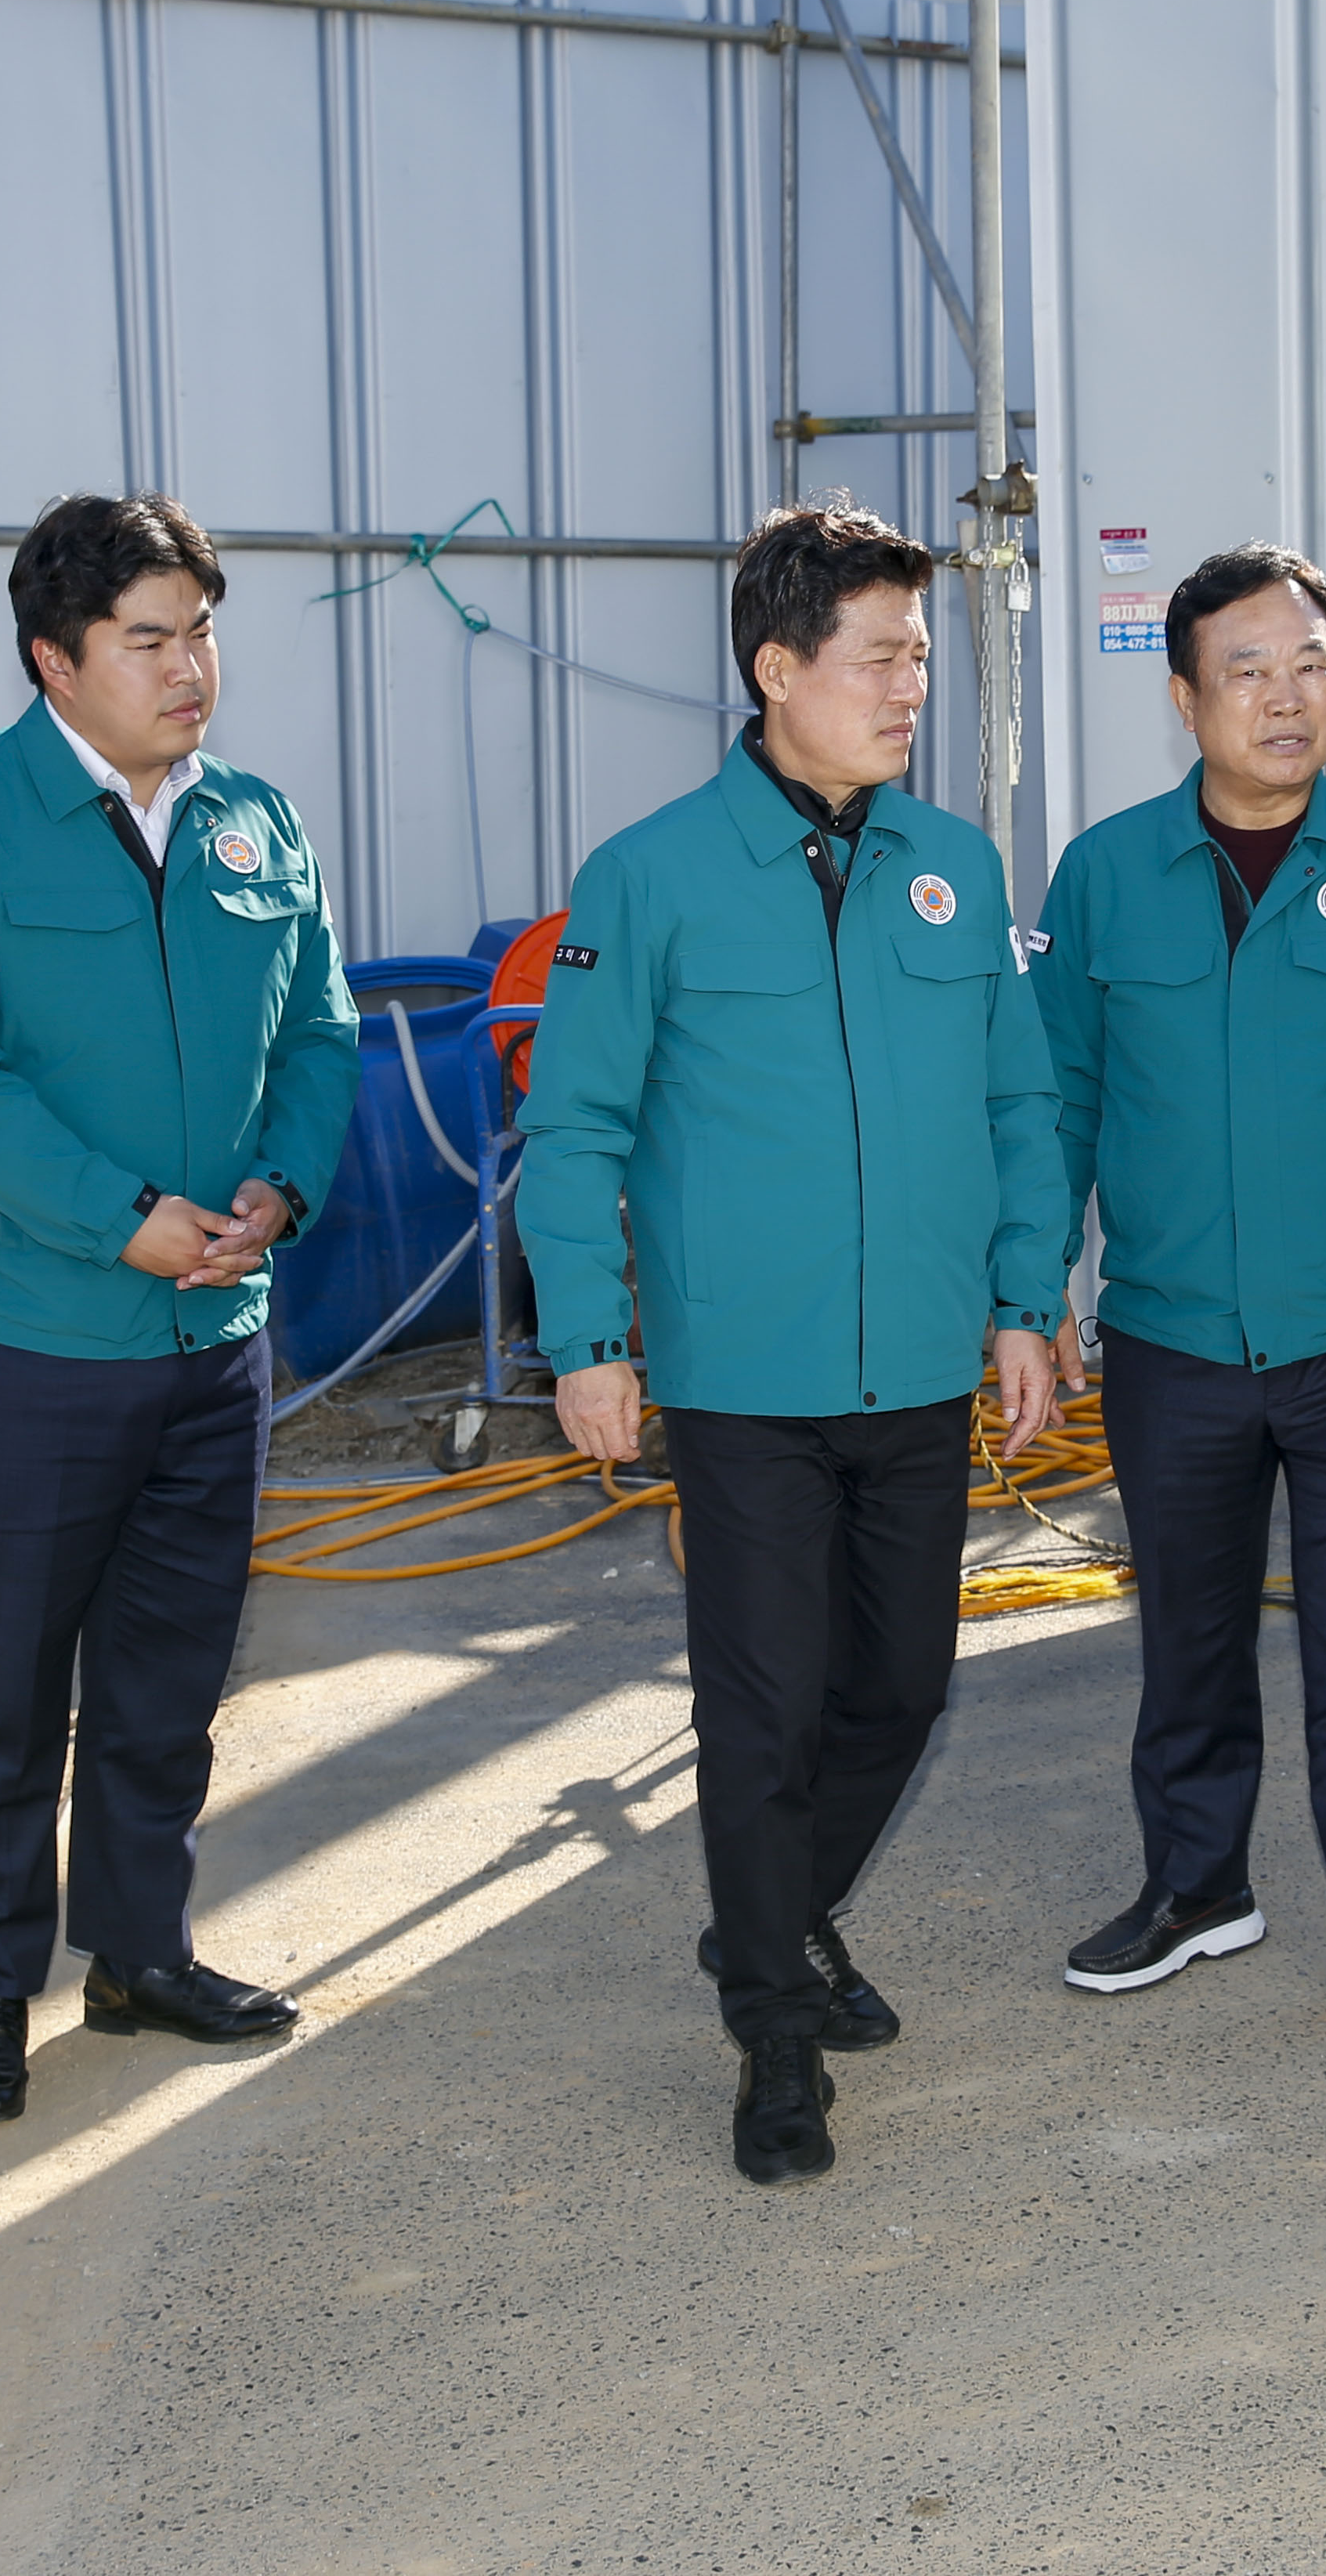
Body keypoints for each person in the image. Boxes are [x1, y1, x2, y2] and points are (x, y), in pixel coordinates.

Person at [518, 497, 1069, 2186]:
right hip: (743, 1380)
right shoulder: (653, 876)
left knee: (898, 1689)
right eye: (881, 656)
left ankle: (776, 1912)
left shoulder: (955, 870)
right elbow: (576, 1126)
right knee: (764, 1713)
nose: (912, 687)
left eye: (921, 656)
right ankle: (772, 2027)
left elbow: (1019, 1101)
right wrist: (586, 1338)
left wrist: (1025, 1300)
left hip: (919, 1362)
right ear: (778, 669)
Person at [0, 493, 360, 2127]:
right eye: (149, 639)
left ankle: (141, 1952)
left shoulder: (256, 823)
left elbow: (322, 1034)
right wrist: (116, 1221)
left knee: (168, 1674)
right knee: (1, 1688)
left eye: (201, 632)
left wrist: (281, 1186)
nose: (189, 667)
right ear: (54, 660)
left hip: (211, 1340)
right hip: (27, 1338)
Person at [1032, 543, 1326, 2043]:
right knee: (1187, 1635)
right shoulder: (1106, 874)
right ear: (1186, 701)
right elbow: (1057, 1098)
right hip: (1169, 1334)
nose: (1286, 698)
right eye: (1247, 671)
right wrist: (1031, 1289)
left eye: (1311, 664)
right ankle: (1196, 1888)